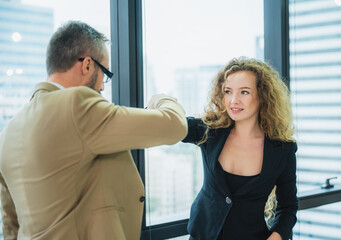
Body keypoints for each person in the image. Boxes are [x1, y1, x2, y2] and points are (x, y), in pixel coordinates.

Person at [0, 21, 187, 240]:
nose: (102, 86)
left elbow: (10, 225)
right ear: (87, 65)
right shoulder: (76, 104)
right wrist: (162, 99)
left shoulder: (8, 132)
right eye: (104, 73)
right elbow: (174, 125)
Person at [182, 57, 298, 240]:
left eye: (244, 92)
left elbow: (288, 207)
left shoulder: (282, 149)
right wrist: (158, 104)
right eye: (228, 91)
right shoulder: (210, 131)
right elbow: (172, 125)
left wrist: (275, 237)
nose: (233, 100)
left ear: (263, 96)